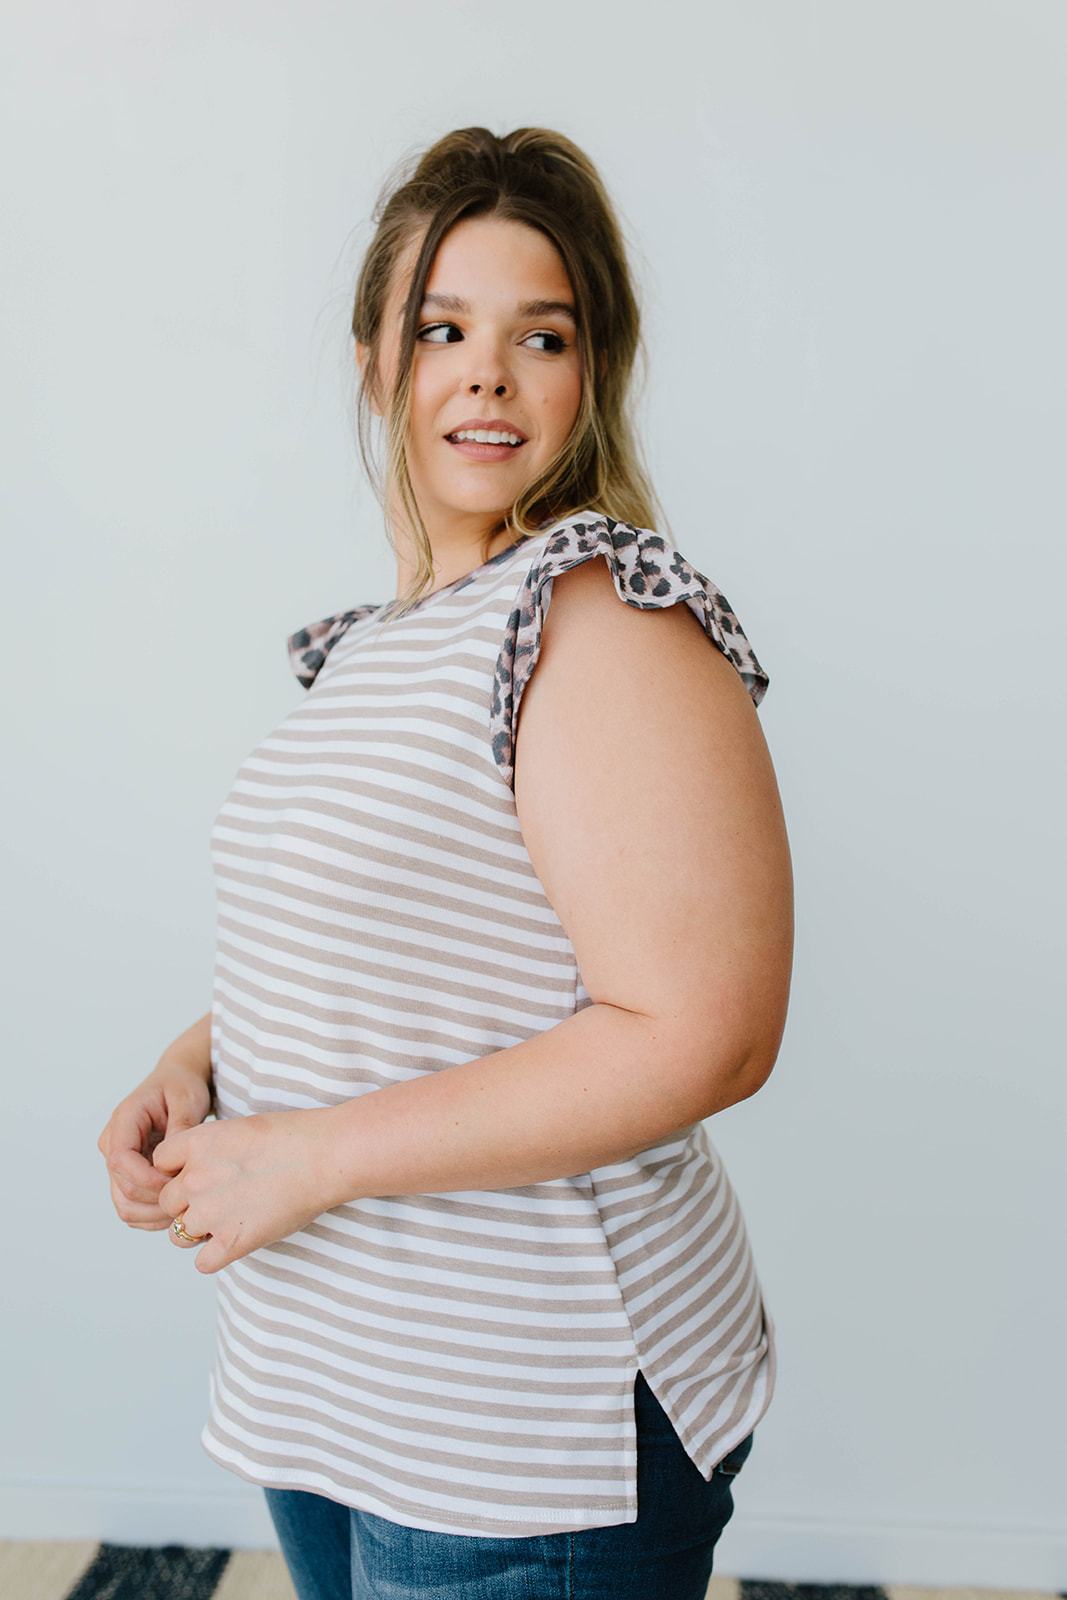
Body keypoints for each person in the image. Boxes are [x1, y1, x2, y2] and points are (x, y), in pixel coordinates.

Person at [97, 125, 794, 1600]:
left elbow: (708, 1030)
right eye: (443, 328)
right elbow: (417, 947)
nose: (486, 371)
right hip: (340, 1380)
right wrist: (200, 1066)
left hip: (521, 1425)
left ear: (590, 372)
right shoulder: (382, 645)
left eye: (539, 333)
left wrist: (313, 1156)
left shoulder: (599, 610)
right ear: (377, 363)